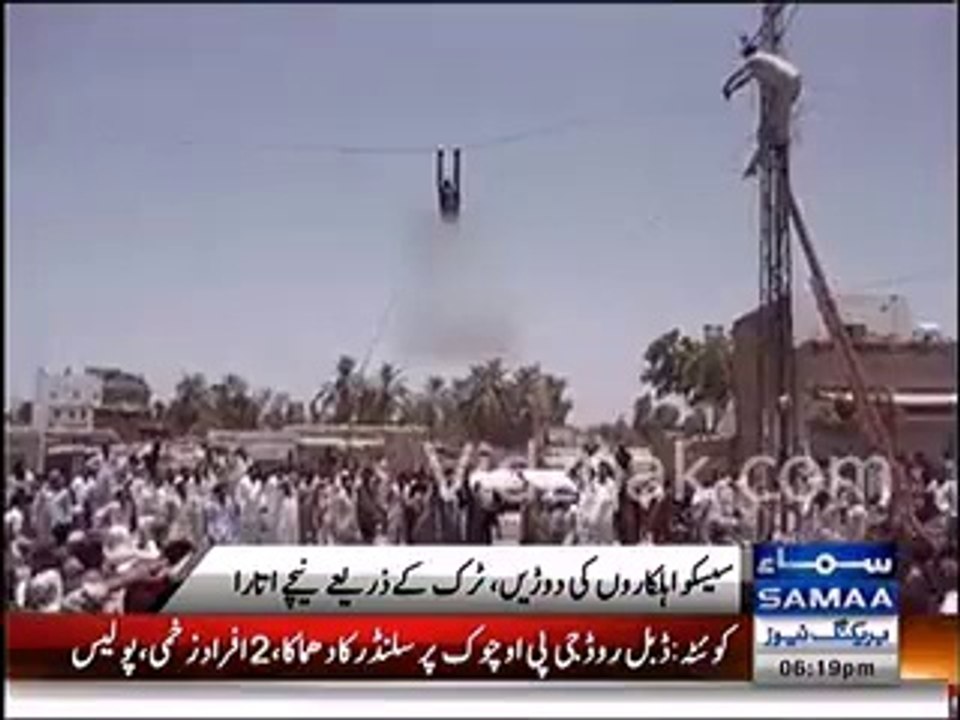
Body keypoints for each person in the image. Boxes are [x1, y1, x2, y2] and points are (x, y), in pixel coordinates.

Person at [723, 42, 802, 178]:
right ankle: (772, 149)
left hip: (785, 84)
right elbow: (749, 77)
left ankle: (773, 153)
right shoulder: (767, 59)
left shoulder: (754, 59)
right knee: (777, 119)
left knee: (770, 126)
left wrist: (728, 86)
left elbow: (742, 75)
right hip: (795, 81)